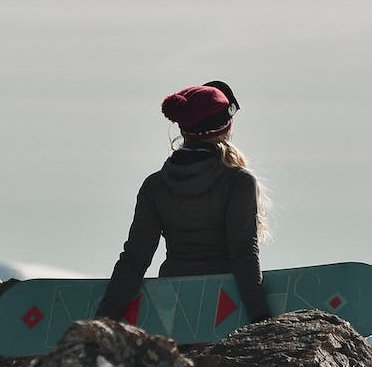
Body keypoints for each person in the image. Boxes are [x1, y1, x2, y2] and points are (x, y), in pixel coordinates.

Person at [96, 80, 272, 322]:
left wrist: (103, 319)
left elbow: (135, 260)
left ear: (183, 130)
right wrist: (262, 320)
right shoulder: (238, 182)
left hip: (172, 310)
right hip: (225, 306)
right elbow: (244, 254)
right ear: (226, 127)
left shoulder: (155, 185)